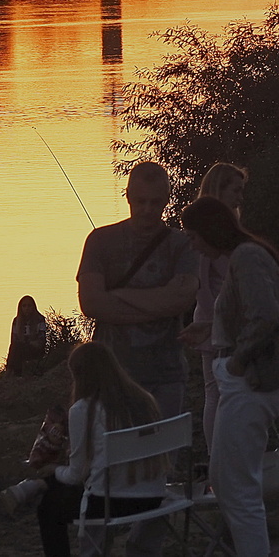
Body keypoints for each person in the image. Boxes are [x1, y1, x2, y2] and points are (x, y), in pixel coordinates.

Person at [179, 197, 279, 557]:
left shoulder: (246, 257)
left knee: (237, 486)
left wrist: (235, 363)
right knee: (227, 480)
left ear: (210, 231)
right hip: (246, 382)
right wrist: (211, 331)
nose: (193, 244)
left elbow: (264, 317)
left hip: (250, 383)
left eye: (194, 236)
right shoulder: (244, 258)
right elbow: (247, 313)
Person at [77, 161, 199, 423]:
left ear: (166, 200)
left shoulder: (182, 244)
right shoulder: (100, 241)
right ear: (128, 196)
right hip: (112, 374)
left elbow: (181, 300)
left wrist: (119, 295)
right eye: (141, 201)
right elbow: (92, 303)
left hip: (166, 373)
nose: (147, 210)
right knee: (117, 453)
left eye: (155, 203)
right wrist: (158, 302)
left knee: (163, 455)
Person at [28, 342, 168, 557]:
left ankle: (32, 487)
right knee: (64, 488)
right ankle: (31, 487)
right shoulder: (144, 400)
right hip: (154, 497)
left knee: (48, 508)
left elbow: (76, 475)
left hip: (111, 502)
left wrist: (53, 469)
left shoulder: (83, 409)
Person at [190, 162, 247, 454]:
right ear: (219, 189)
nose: (240, 197)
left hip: (230, 322)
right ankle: (217, 457)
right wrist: (216, 323)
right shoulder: (203, 230)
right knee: (215, 392)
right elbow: (202, 286)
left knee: (228, 391)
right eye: (235, 190)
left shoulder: (230, 226)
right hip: (215, 324)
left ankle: (230, 453)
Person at [7, 295, 49, 376]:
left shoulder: (40, 319)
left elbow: (41, 340)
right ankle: (15, 374)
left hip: (35, 350)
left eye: (29, 306)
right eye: (24, 306)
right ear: (20, 308)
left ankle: (10, 372)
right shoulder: (16, 321)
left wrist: (29, 343)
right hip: (21, 347)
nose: (27, 308)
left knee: (17, 348)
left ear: (33, 307)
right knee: (15, 347)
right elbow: (14, 339)